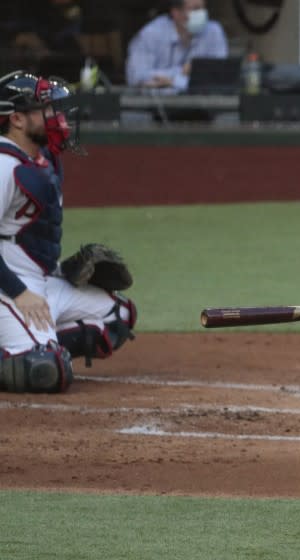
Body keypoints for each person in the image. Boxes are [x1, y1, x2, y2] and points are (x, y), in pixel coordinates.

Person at [0, 70, 137, 394]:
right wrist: (19, 292)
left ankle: (30, 340)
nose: (57, 118)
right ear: (17, 119)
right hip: (9, 288)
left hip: (40, 282)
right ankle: (28, 348)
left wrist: (60, 272)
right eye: (46, 110)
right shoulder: (4, 165)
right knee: (46, 369)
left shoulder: (43, 159)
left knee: (117, 316)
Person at [125, 0, 228, 92]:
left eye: (203, 8)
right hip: (156, 106)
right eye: (195, 9)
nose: (202, 13)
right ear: (176, 13)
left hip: (202, 104)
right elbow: (136, 77)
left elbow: (218, 79)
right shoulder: (151, 33)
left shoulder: (214, 31)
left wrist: (173, 82)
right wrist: (183, 72)